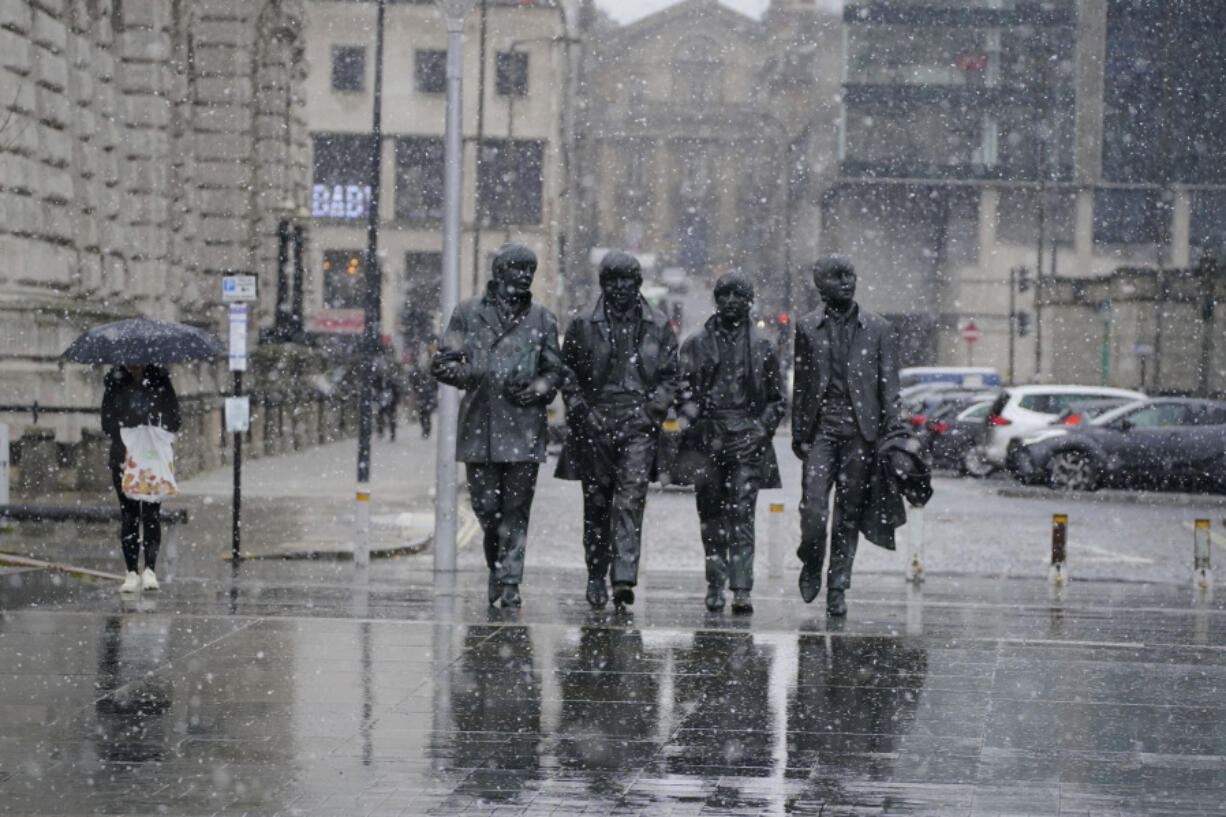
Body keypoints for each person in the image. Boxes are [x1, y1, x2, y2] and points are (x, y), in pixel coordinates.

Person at [432, 243, 565, 609]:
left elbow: (555, 371)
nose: (525, 276)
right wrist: (474, 372)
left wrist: (538, 388)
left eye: (530, 270)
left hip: (523, 428)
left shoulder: (543, 319)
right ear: (499, 272)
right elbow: (441, 363)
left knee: (516, 510)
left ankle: (510, 581)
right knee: (487, 510)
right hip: (481, 427)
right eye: (518, 269)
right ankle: (497, 565)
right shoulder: (468, 313)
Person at [555, 251, 679, 612]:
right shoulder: (582, 324)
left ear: (638, 282)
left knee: (629, 499)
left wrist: (651, 411)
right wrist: (581, 411)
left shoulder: (658, 323)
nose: (621, 287)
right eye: (613, 280)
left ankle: (623, 576)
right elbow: (569, 375)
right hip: (596, 423)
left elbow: (670, 376)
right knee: (596, 504)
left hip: (637, 424)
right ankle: (596, 573)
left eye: (627, 279)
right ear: (603, 283)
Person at [791, 255, 904, 616]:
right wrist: (799, 432)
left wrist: (893, 431)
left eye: (850, 275)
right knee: (813, 509)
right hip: (822, 428)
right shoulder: (807, 327)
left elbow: (889, 386)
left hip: (862, 432)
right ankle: (811, 559)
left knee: (848, 514)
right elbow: (803, 384)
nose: (846, 282)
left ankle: (838, 583)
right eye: (837, 276)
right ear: (820, 284)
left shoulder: (878, 328)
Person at [676, 271, 785, 614]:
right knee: (709, 516)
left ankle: (741, 588)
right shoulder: (695, 343)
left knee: (742, 514)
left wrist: (759, 430)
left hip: (747, 438)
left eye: (738, 295)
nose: (730, 302)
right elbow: (683, 393)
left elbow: (777, 400)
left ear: (748, 301)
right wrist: (694, 422)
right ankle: (714, 583)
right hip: (708, 439)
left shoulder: (763, 345)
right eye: (724, 295)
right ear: (716, 300)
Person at [101, 363, 181, 593]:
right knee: (129, 514)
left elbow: (174, 419)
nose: (134, 365)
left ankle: (150, 569)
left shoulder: (161, 381)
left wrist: (153, 420)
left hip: (151, 457)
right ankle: (131, 571)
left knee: (151, 514)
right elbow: (107, 423)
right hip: (124, 457)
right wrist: (131, 423)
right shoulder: (114, 383)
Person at [372, 342, 404, 441]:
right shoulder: (388, 363)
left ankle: (385, 432)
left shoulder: (381, 363)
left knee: (384, 415)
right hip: (387, 394)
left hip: (387, 394)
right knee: (386, 415)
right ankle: (388, 433)